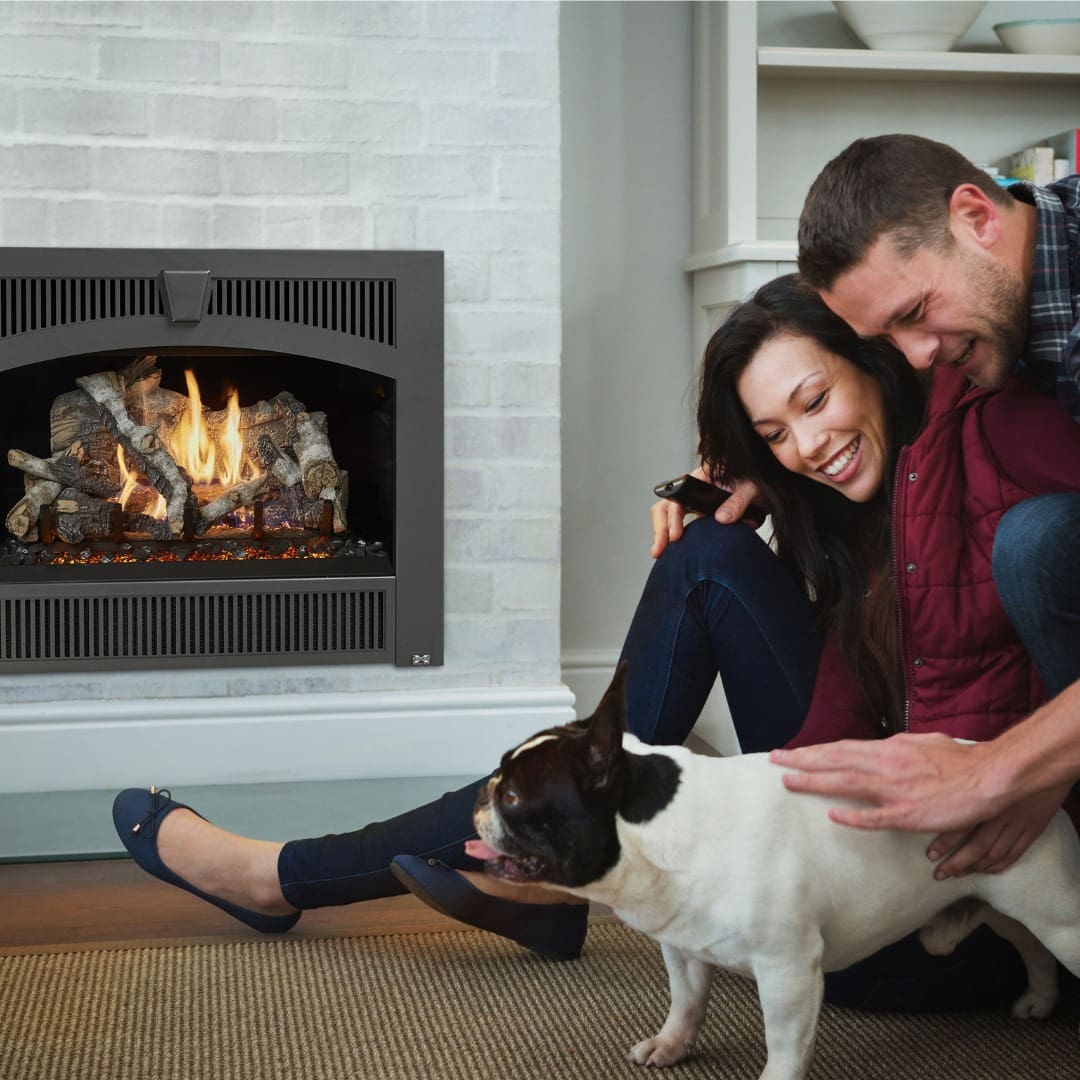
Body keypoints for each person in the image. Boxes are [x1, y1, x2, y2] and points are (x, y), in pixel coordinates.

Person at [117, 275, 1080, 1015]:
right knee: (702, 557)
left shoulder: (993, 443)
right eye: (774, 433)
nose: (809, 444)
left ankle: (301, 875)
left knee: (699, 572)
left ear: (878, 358)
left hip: (959, 902)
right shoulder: (847, 505)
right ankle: (553, 856)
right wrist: (744, 482)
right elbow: (838, 719)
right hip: (870, 850)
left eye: (818, 399)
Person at [763, 134, 1080, 876]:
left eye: (916, 312)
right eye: (887, 336)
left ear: (977, 215)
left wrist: (1012, 766)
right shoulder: (987, 318)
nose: (916, 354)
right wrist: (755, 465)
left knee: (1035, 543)